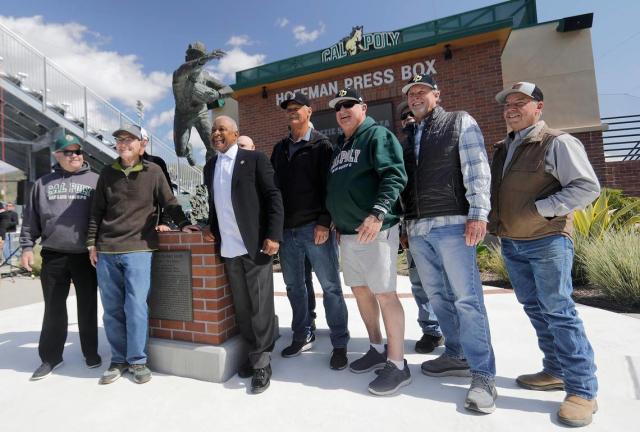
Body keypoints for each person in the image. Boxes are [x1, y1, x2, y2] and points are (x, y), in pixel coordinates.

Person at [489, 82, 600, 427]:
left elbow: (586, 187)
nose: (511, 108)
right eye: (507, 104)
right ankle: (554, 369)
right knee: (536, 307)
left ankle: (583, 390)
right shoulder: (503, 147)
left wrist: (542, 209)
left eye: (520, 102)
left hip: (547, 240)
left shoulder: (557, 142)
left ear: (539, 107)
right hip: (513, 241)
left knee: (559, 310)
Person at [400, 74, 497, 413]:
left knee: (467, 299)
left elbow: (477, 169)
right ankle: (455, 353)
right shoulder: (410, 134)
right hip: (418, 228)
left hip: (454, 224)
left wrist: (478, 212)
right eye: (411, 94)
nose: (415, 98)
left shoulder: (459, 122)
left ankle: (483, 375)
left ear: (436, 95)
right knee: (437, 296)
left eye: (421, 92)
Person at [87, 123, 199, 386]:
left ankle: (137, 360)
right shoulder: (106, 172)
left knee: (136, 306)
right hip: (106, 250)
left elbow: (170, 202)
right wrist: (91, 243)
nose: (123, 144)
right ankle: (118, 360)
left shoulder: (154, 171)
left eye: (129, 140)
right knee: (112, 310)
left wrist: (184, 224)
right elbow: (96, 211)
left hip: (139, 248)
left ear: (141, 145)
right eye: (119, 140)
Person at [326, 88, 409, 395]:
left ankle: (398, 364)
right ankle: (376, 347)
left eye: (349, 104)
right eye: (338, 107)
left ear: (363, 107)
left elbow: (394, 175)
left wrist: (377, 213)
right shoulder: (341, 146)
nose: (343, 110)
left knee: (385, 293)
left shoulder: (376, 136)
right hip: (348, 234)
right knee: (360, 291)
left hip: (374, 229)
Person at [203, 115, 284, 393]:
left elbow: (274, 197)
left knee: (261, 306)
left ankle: (262, 362)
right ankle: (254, 352)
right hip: (229, 249)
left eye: (221, 129)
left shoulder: (255, 160)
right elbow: (216, 205)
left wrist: (274, 235)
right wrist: (209, 227)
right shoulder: (210, 165)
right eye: (214, 130)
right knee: (243, 308)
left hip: (256, 246)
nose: (216, 133)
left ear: (235, 133)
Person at [272, 92, 349, 369]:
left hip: (314, 229)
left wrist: (323, 220)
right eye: (288, 109)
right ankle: (302, 333)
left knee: (330, 287)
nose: (291, 112)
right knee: (294, 286)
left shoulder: (322, 145)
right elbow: (274, 191)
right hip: (287, 231)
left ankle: (340, 342)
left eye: (297, 108)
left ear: (309, 111)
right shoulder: (280, 149)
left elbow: (331, 186)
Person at [19, 132, 101, 380]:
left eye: (78, 151)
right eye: (69, 151)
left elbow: (105, 218)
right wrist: (25, 247)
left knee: (87, 306)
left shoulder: (96, 181)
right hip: (53, 254)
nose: (75, 155)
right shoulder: (42, 184)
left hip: (86, 255)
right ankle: (51, 358)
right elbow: (30, 219)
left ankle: (90, 352)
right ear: (57, 155)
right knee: (54, 308)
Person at [396, 102, 443, 354]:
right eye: (404, 116)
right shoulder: (400, 149)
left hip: (444, 226)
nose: (409, 118)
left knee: (448, 283)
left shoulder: (439, 142)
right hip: (413, 227)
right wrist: (402, 229)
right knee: (419, 283)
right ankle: (432, 330)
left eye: (412, 114)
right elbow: (400, 193)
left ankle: (457, 334)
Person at [172, 41, 232, 164]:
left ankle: (208, 178)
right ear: (187, 58)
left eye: (199, 56)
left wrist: (219, 95)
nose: (197, 59)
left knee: (213, 146)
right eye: (193, 56)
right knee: (180, 151)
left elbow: (228, 90)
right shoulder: (179, 75)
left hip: (200, 113)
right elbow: (185, 68)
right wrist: (204, 59)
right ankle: (188, 150)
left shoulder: (205, 77)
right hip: (182, 115)